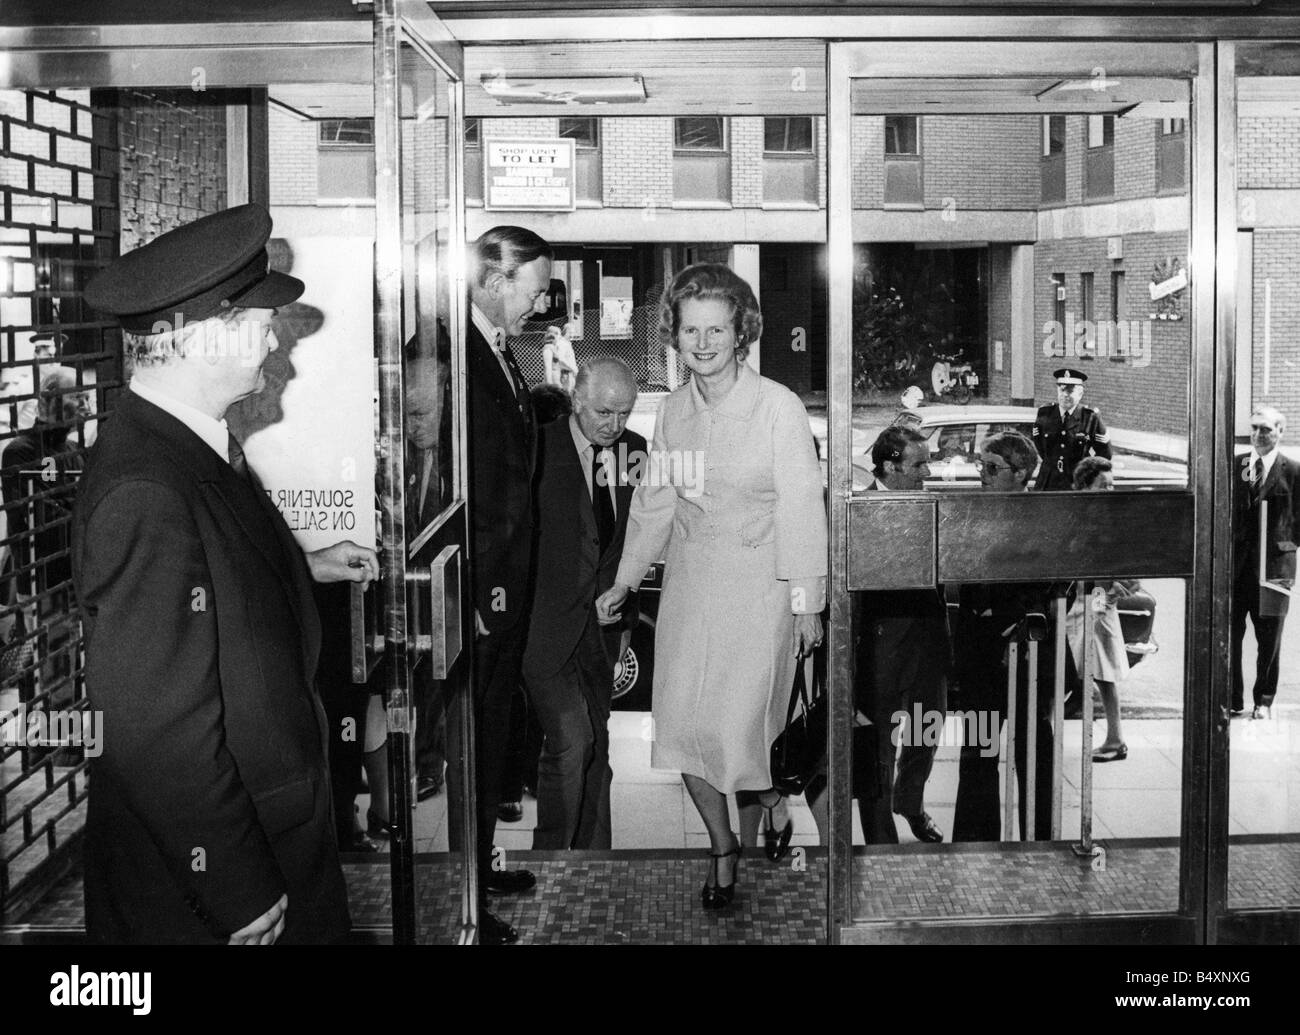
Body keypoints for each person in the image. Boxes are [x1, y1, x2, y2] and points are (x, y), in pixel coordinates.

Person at [74, 203, 379, 944]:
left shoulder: (185, 445)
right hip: (221, 875)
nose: (274, 337)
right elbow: (152, 727)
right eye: (258, 321)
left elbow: (201, 594)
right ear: (207, 337)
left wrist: (302, 566)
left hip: (265, 829)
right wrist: (234, 884)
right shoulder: (147, 487)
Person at [596, 263, 827, 909]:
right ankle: (723, 844)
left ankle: (773, 799)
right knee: (685, 730)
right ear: (675, 334)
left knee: (735, 733)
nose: (702, 342)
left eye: (716, 329)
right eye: (690, 329)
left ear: (741, 331)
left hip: (760, 594)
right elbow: (653, 504)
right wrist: (624, 580)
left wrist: (807, 602)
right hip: (691, 594)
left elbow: (804, 508)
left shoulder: (777, 407)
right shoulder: (671, 411)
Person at [446, 224, 552, 945]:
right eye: (534, 288)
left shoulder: (500, 350)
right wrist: (475, 595)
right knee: (476, 743)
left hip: (503, 586)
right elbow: (457, 488)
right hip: (484, 590)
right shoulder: (455, 354)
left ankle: (482, 867)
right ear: (492, 280)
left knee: (495, 737)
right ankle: (467, 903)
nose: (541, 303)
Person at [524, 357, 644, 850]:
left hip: (608, 628)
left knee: (598, 743)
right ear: (576, 399)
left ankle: (596, 859)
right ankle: (552, 857)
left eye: (624, 413)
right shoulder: (538, 447)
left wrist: (620, 589)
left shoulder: (636, 451)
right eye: (602, 412)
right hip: (544, 627)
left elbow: (640, 533)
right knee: (573, 742)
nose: (614, 425)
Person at [952, 430, 1055, 842]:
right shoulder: (972, 514)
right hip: (980, 653)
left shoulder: (1040, 522)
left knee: (1033, 752)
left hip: (1024, 652)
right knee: (978, 751)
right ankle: (975, 845)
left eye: (993, 469)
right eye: (981, 466)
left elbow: (1046, 586)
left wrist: (1012, 613)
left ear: (1022, 473)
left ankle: (1040, 839)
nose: (983, 475)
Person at [857, 426, 949, 843]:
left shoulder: (930, 504)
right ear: (890, 465)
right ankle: (880, 840)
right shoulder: (859, 510)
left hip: (927, 639)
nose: (926, 471)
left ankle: (910, 803)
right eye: (918, 463)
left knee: (926, 731)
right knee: (877, 746)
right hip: (880, 644)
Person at [1232, 405, 1300, 721]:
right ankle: (1231, 699)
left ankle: (1264, 700)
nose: (1259, 434)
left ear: (1280, 432)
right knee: (1230, 637)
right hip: (1238, 569)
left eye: (1267, 429)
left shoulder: (1293, 471)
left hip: (1273, 571)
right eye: (1255, 428)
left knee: (1269, 641)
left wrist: (1285, 545)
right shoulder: (1236, 465)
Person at [1066, 457, 1133, 762]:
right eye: (1103, 485)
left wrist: (1115, 590)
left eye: (1112, 485)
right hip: (1080, 599)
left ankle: (1115, 739)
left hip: (1096, 598)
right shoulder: (1077, 516)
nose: (1110, 490)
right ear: (1083, 487)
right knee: (1080, 669)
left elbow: (1130, 569)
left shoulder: (1111, 520)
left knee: (1102, 671)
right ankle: (1113, 738)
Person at [1031, 367, 1110, 491]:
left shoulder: (1090, 417)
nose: (1065, 395)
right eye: (1061, 390)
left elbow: (1104, 454)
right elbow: (1040, 446)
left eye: (1070, 391)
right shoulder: (1045, 413)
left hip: (1076, 484)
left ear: (1080, 394)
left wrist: (1086, 475)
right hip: (1047, 483)